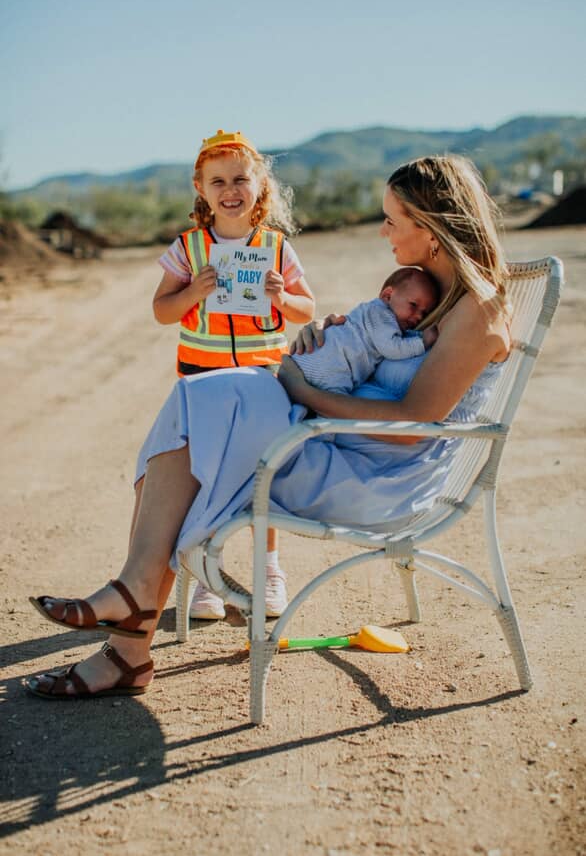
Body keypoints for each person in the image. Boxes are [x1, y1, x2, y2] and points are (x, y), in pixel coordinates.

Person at [26, 154, 511, 700]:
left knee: (215, 410)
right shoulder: (423, 295)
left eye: (392, 221)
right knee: (200, 393)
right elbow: (379, 369)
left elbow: (410, 425)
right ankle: (131, 627)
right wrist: (331, 335)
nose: (383, 232)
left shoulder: (477, 310)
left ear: (429, 229)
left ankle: (130, 631)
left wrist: (306, 392)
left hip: (378, 477)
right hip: (342, 443)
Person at [152, 129, 316, 621]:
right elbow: (162, 311)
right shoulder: (189, 248)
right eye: (217, 180)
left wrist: (280, 297)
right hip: (203, 381)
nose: (230, 189)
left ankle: (269, 572)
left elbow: (306, 309)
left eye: (240, 178)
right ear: (200, 188)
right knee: (205, 476)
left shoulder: (276, 248)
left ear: (259, 185)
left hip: (263, 381)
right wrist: (191, 293)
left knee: (260, 474)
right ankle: (205, 575)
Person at [292, 266, 439, 395]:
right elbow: (391, 347)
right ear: (387, 296)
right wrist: (423, 342)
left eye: (424, 313)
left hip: (319, 361)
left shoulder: (381, 316)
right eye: (413, 305)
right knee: (334, 405)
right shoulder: (380, 313)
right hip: (330, 362)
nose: (419, 316)